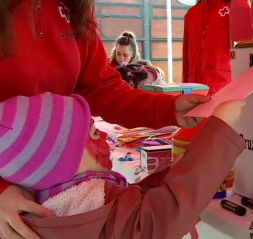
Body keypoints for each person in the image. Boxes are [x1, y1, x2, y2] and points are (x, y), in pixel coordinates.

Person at [0, 1, 209, 238]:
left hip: (54, 186)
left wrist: (168, 108)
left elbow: (99, 86)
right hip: (11, 207)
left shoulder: (73, 5)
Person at [0, 92, 246, 239]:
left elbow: (130, 207)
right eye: (93, 132)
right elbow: (161, 218)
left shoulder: (55, 201)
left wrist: (168, 176)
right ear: (60, 160)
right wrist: (218, 130)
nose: (104, 137)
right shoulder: (86, 209)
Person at [182, 0, 232, 95]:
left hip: (225, 87)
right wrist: (185, 87)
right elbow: (186, 55)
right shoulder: (192, 13)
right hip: (195, 89)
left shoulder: (234, 8)